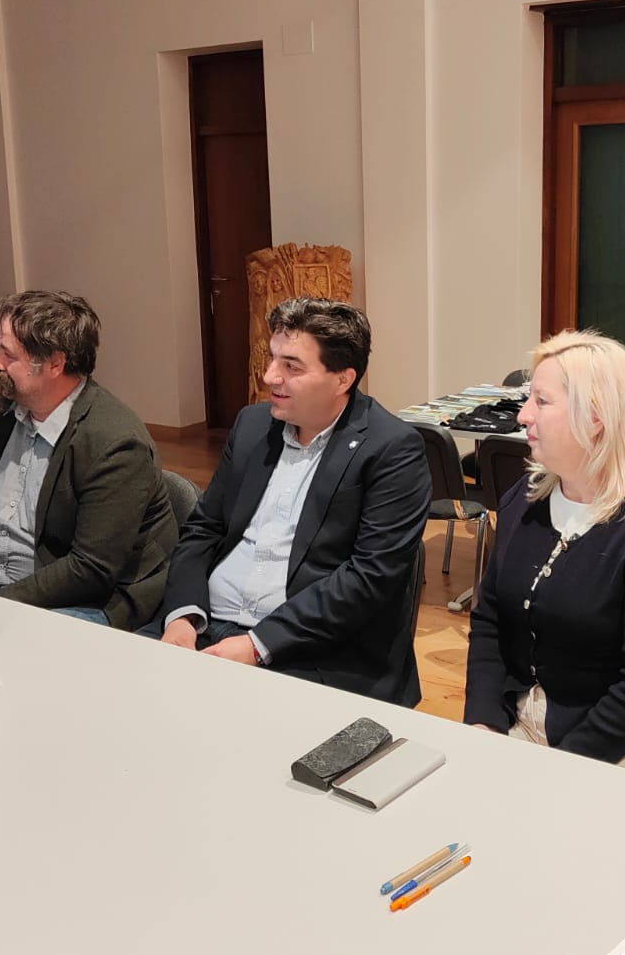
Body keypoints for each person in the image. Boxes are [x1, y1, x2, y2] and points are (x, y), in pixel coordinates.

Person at [149, 297, 430, 704]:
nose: (270, 376)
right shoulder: (252, 425)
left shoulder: (392, 449)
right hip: (204, 624)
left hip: (308, 648)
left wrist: (257, 644)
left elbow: (370, 577)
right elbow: (204, 528)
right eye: (272, 358)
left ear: (343, 379)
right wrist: (182, 616)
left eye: (292, 366)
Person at [463, 330, 625, 783]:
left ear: (595, 417)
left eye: (541, 401)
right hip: (529, 721)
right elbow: (490, 619)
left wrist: (555, 771)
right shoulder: (526, 498)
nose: (523, 415)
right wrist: (482, 722)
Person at [0, 290, 178, 629]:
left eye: (9, 355)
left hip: (80, 599)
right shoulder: (16, 407)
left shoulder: (116, 444)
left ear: (54, 363)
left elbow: (91, 569)